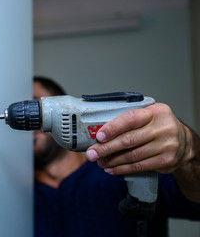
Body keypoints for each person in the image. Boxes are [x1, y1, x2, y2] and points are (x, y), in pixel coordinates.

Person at [33, 76, 200, 237]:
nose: (31, 121)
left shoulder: (128, 163)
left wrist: (188, 149)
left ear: (62, 105)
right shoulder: (18, 196)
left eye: (36, 106)